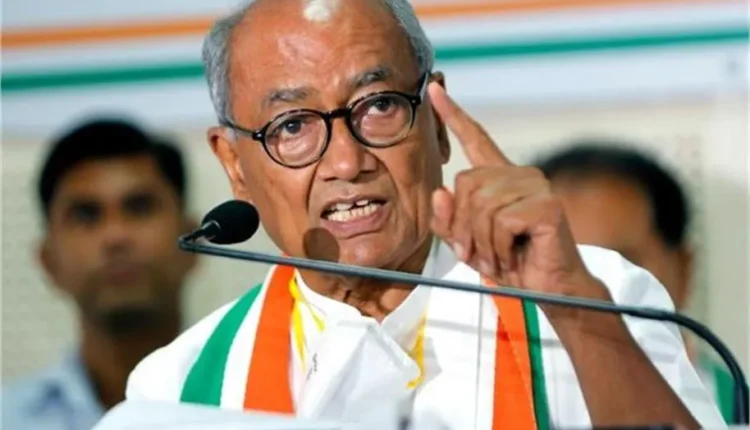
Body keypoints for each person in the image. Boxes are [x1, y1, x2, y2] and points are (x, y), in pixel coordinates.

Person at [125, 0, 726, 428]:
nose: (347, 161)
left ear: (436, 123)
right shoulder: (177, 389)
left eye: (378, 105)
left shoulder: (599, 302)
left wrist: (573, 306)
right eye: (292, 126)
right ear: (235, 164)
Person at [2, 119, 198, 430]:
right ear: (48, 262)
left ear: (194, 241)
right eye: (86, 214)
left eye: (140, 207)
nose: (115, 236)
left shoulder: (258, 409)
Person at [535, 141, 736, 422]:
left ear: (683, 270)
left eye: (621, 264)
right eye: (562, 264)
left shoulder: (739, 406)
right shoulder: (485, 410)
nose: (586, 291)